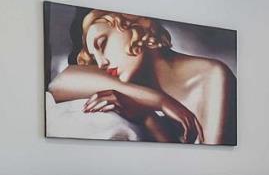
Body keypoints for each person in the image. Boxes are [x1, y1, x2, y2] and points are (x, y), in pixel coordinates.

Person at [47, 8, 236, 144]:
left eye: (102, 44)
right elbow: (59, 83)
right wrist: (154, 108)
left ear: (136, 25)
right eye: (95, 60)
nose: (102, 63)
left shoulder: (212, 76)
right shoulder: (134, 89)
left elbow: (208, 170)